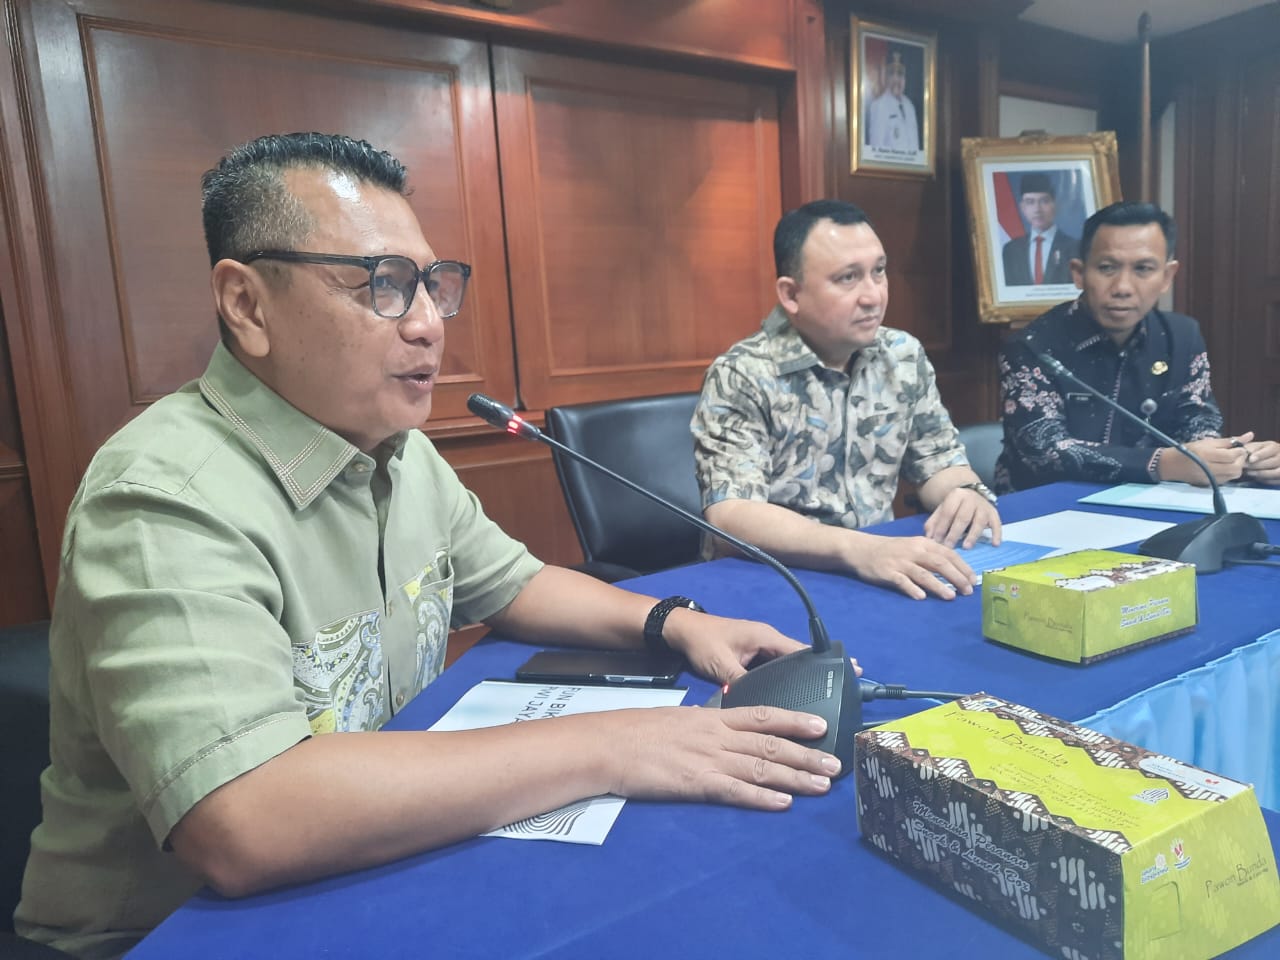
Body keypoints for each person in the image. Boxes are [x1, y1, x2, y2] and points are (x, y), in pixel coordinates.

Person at [15, 133, 850, 958]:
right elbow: (244, 820)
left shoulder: (397, 448)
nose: (426, 325)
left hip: (371, 862)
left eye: (429, 284)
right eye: (381, 284)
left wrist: (674, 622)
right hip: (174, 932)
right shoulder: (163, 497)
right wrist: (618, 745)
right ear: (247, 305)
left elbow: (513, 583)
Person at [692, 199, 1003, 603]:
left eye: (879, 271)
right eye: (848, 278)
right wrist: (858, 549)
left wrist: (963, 492)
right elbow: (731, 513)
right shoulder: (742, 374)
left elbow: (938, 461)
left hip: (877, 570)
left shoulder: (902, 355)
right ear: (791, 294)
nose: (873, 296)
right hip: (770, 581)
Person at [996, 200, 1280, 491]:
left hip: (1152, 499)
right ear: (1079, 272)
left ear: (1167, 276)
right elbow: (1045, 451)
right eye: (1107, 268)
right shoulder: (1032, 345)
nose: (1122, 287)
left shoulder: (1182, 336)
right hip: (1047, 503)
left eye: (1143, 269)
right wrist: (1160, 464)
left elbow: (1198, 421)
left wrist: (1238, 457)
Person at [1001, 172, 1077, 286]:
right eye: (1030, 202)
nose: (1037, 209)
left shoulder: (1074, 247)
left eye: (1044, 201)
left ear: (1055, 205)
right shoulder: (1011, 250)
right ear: (1022, 208)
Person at [864, 50, 920, 155]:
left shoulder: (910, 106)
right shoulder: (879, 106)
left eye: (900, 74)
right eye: (891, 74)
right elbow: (876, 149)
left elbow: (915, 147)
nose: (896, 79)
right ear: (886, 78)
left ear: (905, 79)